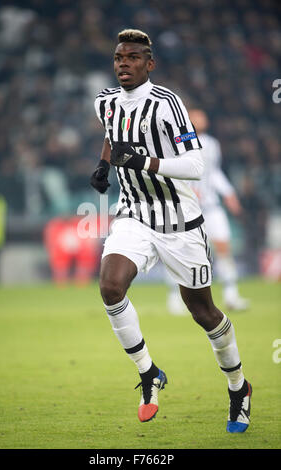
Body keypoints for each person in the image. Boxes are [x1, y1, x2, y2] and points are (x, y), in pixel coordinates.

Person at [90, 29, 252, 432]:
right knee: (110, 287)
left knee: (204, 313)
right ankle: (148, 374)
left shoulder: (168, 105)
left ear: (150, 63)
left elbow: (196, 165)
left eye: (131, 57)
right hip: (133, 214)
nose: (123, 64)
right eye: (117, 58)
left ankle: (238, 387)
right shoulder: (104, 102)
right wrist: (104, 166)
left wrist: (144, 163)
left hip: (180, 222)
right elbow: (113, 136)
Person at [166, 109, 249, 315]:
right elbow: (171, 169)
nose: (202, 120)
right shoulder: (177, 141)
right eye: (196, 117)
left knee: (223, 248)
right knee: (180, 252)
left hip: (211, 207)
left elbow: (214, 172)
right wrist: (185, 187)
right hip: (185, 207)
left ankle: (231, 295)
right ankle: (175, 297)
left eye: (203, 117)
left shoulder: (212, 143)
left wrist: (229, 193)